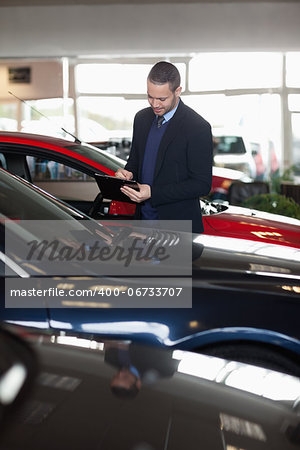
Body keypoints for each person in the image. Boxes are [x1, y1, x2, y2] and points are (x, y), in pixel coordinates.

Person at [115, 61, 213, 233]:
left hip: (179, 229)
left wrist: (153, 192)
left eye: (162, 99)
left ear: (177, 91)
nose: (155, 104)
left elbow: (201, 184)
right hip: (142, 224)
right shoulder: (142, 119)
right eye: (150, 96)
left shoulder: (197, 127)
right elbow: (135, 162)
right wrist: (128, 173)